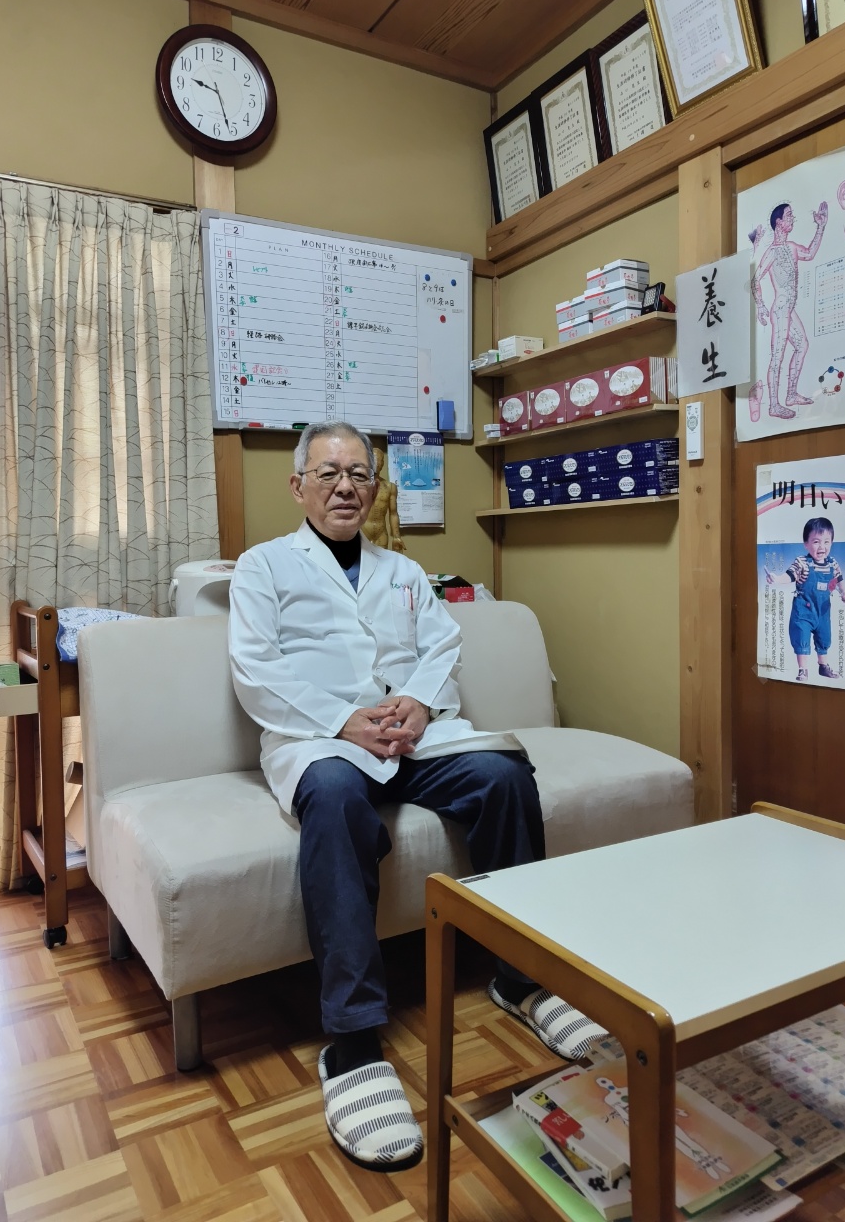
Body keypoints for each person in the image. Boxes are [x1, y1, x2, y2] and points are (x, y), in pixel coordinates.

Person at [228, 421, 600, 1172]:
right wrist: (342, 719)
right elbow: (254, 667)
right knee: (335, 800)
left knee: (503, 775)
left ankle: (523, 978)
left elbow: (442, 646)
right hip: (323, 741)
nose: (345, 487)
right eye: (328, 473)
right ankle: (353, 1042)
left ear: (375, 488)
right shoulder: (262, 567)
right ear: (298, 485)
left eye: (359, 475)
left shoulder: (402, 569)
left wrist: (421, 705)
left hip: (411, 738)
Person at [752, 200, 828, 420]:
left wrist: (821, 227)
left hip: (789, 309)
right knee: (777, 357)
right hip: (780, 310)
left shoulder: (792, 247)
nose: (792, 219)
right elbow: (755, 279)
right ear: (778, 222)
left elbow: (810, 253)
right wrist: (760, 305)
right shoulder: (772, 252)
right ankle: (773, 405)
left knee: (802, 345)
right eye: (788, 216)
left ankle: (791, 393)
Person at [764, 516, 845, 682]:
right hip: (804, 611)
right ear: (806, 543)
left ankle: (823, 666)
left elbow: (839, 580)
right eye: (816, 542)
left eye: (826, 542)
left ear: (832, 543)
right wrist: (777, 578)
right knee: (801, 636)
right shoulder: (802, 562)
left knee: (824, 637)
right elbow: (790, 576)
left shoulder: (832, 564)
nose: (822, 547)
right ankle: (803, 670)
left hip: (823, 612)